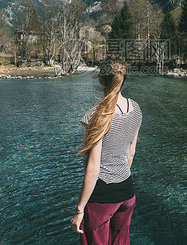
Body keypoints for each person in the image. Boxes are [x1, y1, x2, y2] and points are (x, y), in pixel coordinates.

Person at [70, 60, 142, 244]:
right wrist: (120, 180)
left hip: (102, 197)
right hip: (127, 192)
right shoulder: (136, 109)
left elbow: (94, 168)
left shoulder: (96, 115)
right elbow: (130, 154)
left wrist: (79, 210)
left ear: (101, 80)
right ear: (124, 79)